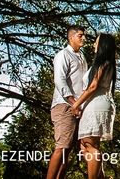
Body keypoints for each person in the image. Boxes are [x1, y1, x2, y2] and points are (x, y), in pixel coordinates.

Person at [70, 33, 117, 179]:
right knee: (84, 146)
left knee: (90, 145)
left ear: (102, 45)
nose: (93, 45)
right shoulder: (102, 63)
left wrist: (76, 104)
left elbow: (93, 86)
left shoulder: (105, 63)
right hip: (93, 104)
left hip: (97, 103)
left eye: (96, 42)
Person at [46, 25, 87, 179]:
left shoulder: (82, 57)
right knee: (62, 147)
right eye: (80, 35)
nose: (83, 38)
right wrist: (73, 102)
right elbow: (59, 80)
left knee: (68, 149)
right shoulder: (63, 55)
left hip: (77, 107)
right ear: (71, 38)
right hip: (64, 105)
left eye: (84, 36)